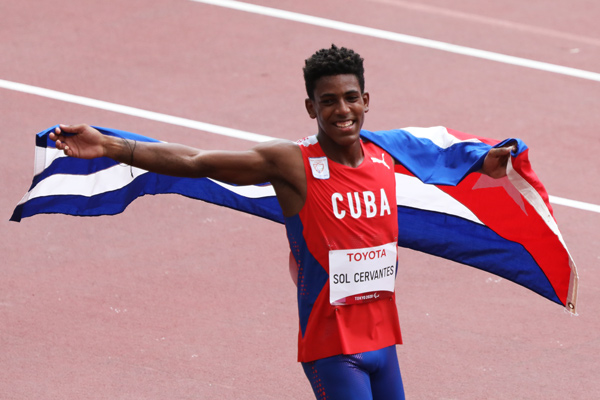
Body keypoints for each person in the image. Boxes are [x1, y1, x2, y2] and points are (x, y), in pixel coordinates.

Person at [50, 44, 513, 400]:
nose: (342, 110)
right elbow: (196, 161)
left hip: (383, 340)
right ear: (311, 108)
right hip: (333, 348)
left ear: (366, 100)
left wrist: (483, 161)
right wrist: (111, 146)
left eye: (351, 98)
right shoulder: (290, 163)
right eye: (327, 101)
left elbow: (440, 153)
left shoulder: (386, 151)